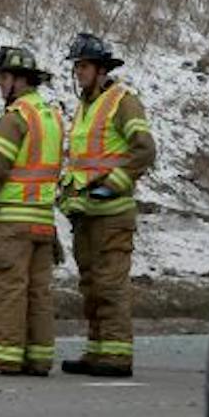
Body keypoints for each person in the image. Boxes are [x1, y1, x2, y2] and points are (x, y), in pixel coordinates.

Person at [59, 33, 157, 378]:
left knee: (111, 283)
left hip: (112, 214)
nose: (78, 73)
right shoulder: (85, 106)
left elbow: (144, 149)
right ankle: (98, 348)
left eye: (83, 66)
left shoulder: (123, 101)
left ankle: (116, 355)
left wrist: (114, 184)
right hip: (86, 214)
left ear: (101, 70)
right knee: (90, 284)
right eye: (77, 67)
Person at [0, 47, 64, 377]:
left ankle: (4, 357)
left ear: (16, 81)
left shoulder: (15, 118)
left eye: (3, 78)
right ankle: (38, 358)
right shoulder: (50, 117)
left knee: (9, 289)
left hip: (11, 222)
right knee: (39, 293)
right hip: (42, 222)